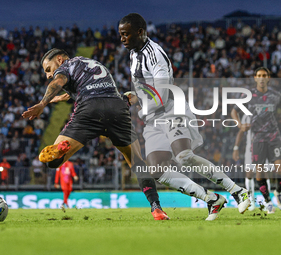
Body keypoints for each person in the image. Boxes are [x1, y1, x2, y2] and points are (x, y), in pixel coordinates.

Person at [119, 13, 251, 218]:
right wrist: (135, 96)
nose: (122, 39)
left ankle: (238, 191)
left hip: (171, 109)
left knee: (184, 156)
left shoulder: (155, 55)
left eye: (126, 34)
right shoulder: (134, 53)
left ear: (140, 32)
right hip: (153, 118)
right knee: (156, 170)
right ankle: (212, 199)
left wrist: (140, 106)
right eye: (120, 35)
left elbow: (161, 95)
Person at [22, 48, 168, 220]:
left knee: (52, 160)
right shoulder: (90, 63)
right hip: (117, 108)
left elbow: (58, 81)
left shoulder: (65, 66)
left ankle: (63, 146)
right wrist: (61, 98)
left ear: (60, 60)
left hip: (89, 110)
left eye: (48, 69)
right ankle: (156, 208)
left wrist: (42, 103)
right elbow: (85, 86)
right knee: (137, 163)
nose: (48, 75)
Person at [231, 67, 281, 212]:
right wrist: (240, 124)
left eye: (264, 75)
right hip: (257, 138)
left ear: (268, 77)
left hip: (274, 137)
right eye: (259, 75)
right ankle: (267, 201)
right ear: (255, 78)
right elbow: (234, 111)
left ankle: (278, 192)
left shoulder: (276, 95)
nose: (262, 78)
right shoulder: (249, 95)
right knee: (259, 171)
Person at [232, 114, 272, 211]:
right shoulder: (247, 116)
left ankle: (267, 202)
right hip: (251, 149)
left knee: (264, 173)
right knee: (249, 173)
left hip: (264, 147)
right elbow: (241, 131)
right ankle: (251, 201)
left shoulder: (268, 112)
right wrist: (236, 147)